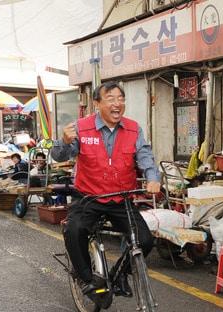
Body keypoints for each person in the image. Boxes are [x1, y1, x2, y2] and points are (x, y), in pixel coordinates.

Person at [51, 81, 160, 296]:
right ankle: (87, 279)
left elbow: (145, 156)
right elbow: (59, 156)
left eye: (121, 99)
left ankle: (119, 276)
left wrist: (152, 177)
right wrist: (63, 142)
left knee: (145, 240)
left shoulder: (133, 128)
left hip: (121, 198)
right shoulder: (81, 127)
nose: (117, 103)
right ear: (96, 104)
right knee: (74, 230)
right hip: (88, 197)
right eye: (110, 99)